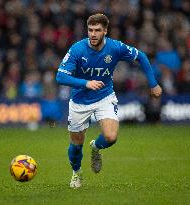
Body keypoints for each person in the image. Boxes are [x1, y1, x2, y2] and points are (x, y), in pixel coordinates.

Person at [56, 13, 162, 188]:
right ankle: (76, 173)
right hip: (79, 101)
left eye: (97, 30)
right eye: (90, 30)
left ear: (105, 30)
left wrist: (153, 84)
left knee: (111, 137)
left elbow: (141, 56)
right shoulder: (77, 49)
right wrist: (86, 83)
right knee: (75, 146)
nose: (93, 34)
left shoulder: (115, 47)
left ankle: (96, 147)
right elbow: (60, 77)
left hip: (105, 97)